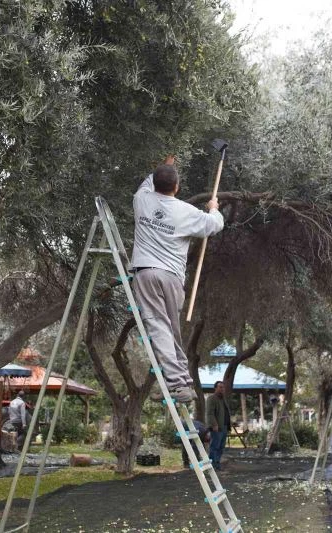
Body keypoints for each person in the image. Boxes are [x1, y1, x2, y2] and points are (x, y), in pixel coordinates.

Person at [132, 156, 224, 403]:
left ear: (154, 183)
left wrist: (165, 165)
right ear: (177, 187)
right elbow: (215, 225)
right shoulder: (186, 212)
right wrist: (213, 207)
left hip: (146, 273)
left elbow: (147, 183)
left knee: (160, 327)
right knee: (171, 329)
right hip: (172, 277)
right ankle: (181, 381)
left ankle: (178, 383)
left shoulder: (141, 199)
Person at [206, 381, 231, 470]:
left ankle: (217, 463)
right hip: (217, 426)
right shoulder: (211, 398)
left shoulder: (223, 399)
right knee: (215, 446)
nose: (222, 389)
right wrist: (214, 424)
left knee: (221, 446)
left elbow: (225, 412)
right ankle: (212, 465)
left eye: (223, 387)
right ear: (215, 388)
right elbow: (210, 413)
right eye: (220, 387)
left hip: (224, 426)